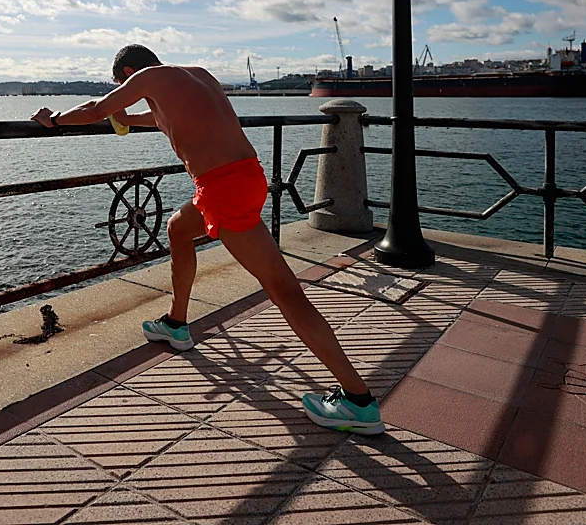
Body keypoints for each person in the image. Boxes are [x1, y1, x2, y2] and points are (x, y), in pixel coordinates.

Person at [30, 44, 383, 434]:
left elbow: (98, 108)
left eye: (125, 82)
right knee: (179, 229)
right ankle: (176, 323)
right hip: (244, 177)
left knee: (283, 289)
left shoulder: (149, 78)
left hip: (223, 189)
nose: (130, 87)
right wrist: (124, 116)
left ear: (130, 72)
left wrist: (55, 118)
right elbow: (149, 119)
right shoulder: (195, 75)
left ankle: (357, 400)